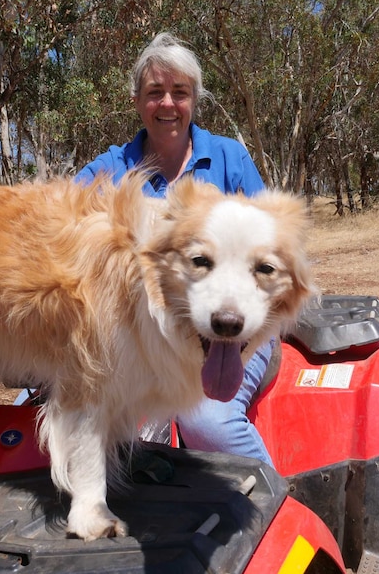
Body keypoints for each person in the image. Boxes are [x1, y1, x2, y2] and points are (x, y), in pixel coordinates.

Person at [76, 32, 275, 466]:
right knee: (36, 400)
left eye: (179, 93)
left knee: (208, 421)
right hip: (130, 335)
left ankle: (280, 509)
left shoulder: (229, 159)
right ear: (137, 102)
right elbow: (59, 213)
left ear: (194, 100)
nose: (167, 104)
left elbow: (272, 249)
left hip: (226, 334)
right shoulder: (111, 168)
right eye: (154, 93)